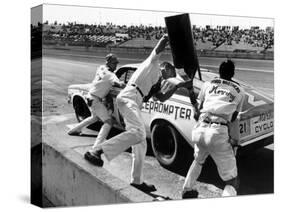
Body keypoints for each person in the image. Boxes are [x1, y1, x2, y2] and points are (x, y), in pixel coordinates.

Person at [84, 34, 191, 192]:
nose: (171, 77)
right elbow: (160, 44)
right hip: (129, 97)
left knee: (141, 143)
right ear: (166, 68)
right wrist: (169, 37)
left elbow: (161, 97)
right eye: (171, 74)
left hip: (134, 102)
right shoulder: (152, 63)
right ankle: (97, 150)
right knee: (139, 133)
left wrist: (178, 86)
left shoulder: (157, 82)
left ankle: (137, 181)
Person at [182, 59, 245, 198]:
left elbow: (198, 109)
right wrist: (234, 140)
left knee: (198, 161)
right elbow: (234, 118)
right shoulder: (240, 91)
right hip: (217, 132)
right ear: (233, 73)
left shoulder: (207, 84)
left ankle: (186, 190)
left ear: (219, 71)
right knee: (233, 181)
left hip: (200, 129)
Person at [68, 53, 125, 150]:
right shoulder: (111, 75)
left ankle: (74, 130)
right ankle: (97, 145)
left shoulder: (101, 68)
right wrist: (123, 84)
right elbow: (118, 83)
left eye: (116, 63)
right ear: (109, 63)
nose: (116, 65)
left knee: (94, 118)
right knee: (109, 122)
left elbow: (107, 78)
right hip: (95, 100)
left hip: (90, 97)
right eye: (114, 63)